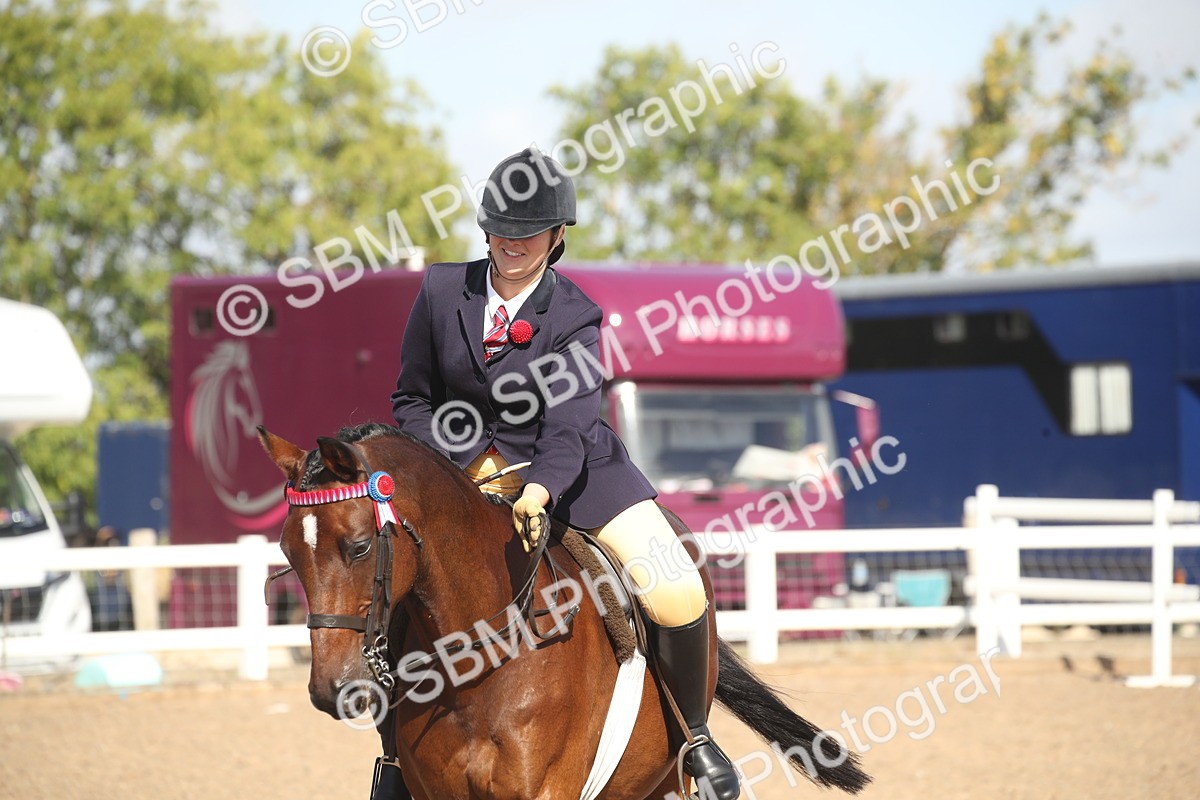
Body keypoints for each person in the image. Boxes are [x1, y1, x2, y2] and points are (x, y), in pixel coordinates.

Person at [390, 147, 740, 799]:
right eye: (501, 229)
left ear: (556, 237)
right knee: (397, 576)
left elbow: (571, 423)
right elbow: (412, 400)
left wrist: (540, 489)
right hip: (462, 479)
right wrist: (469, 461)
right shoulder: (441, 291)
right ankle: (393, 756)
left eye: (528, 232)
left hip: (576, 475)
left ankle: (695, 737)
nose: (512, 243)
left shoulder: (575, 315)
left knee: (677, 589)